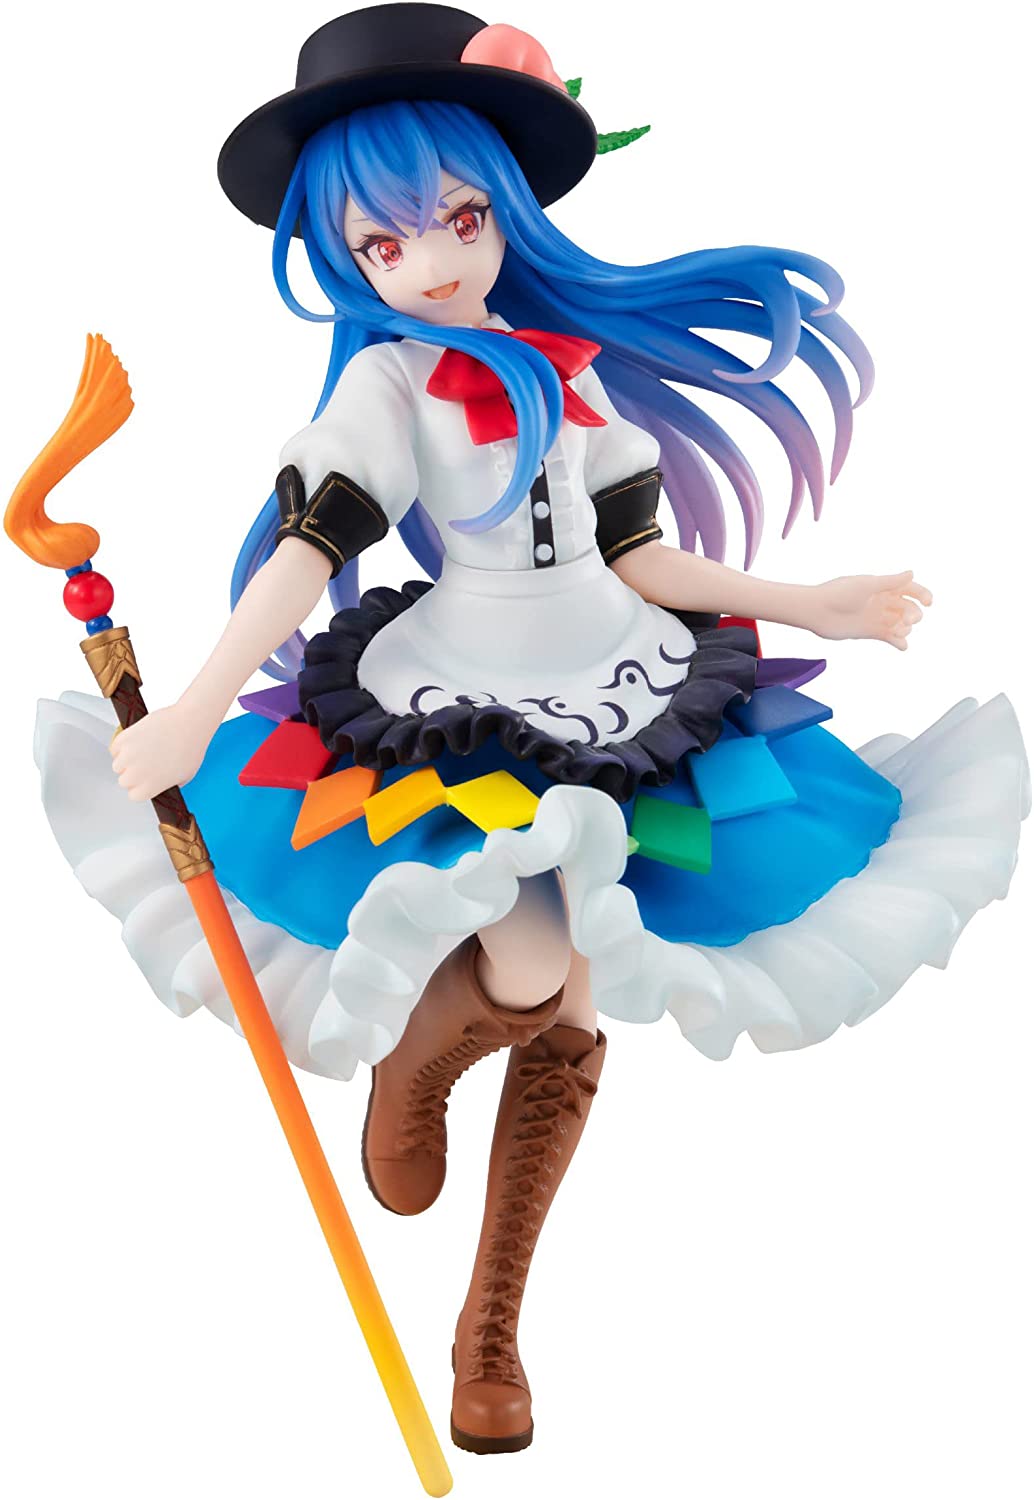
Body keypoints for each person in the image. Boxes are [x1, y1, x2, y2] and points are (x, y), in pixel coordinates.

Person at [35, 5, 1028, 1456]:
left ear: (507, 207)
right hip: (457, 694)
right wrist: (191, 707)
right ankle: (422, 1060)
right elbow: (309, 554)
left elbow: (646, 561)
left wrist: (809, 598)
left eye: (459, 219)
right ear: (345, 262)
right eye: (384, 243)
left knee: (571, 996)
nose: (433, 262)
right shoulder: (388, 384)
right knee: (532, 955)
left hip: (626, 682)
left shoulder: (565, 368)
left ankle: (489, 1324)